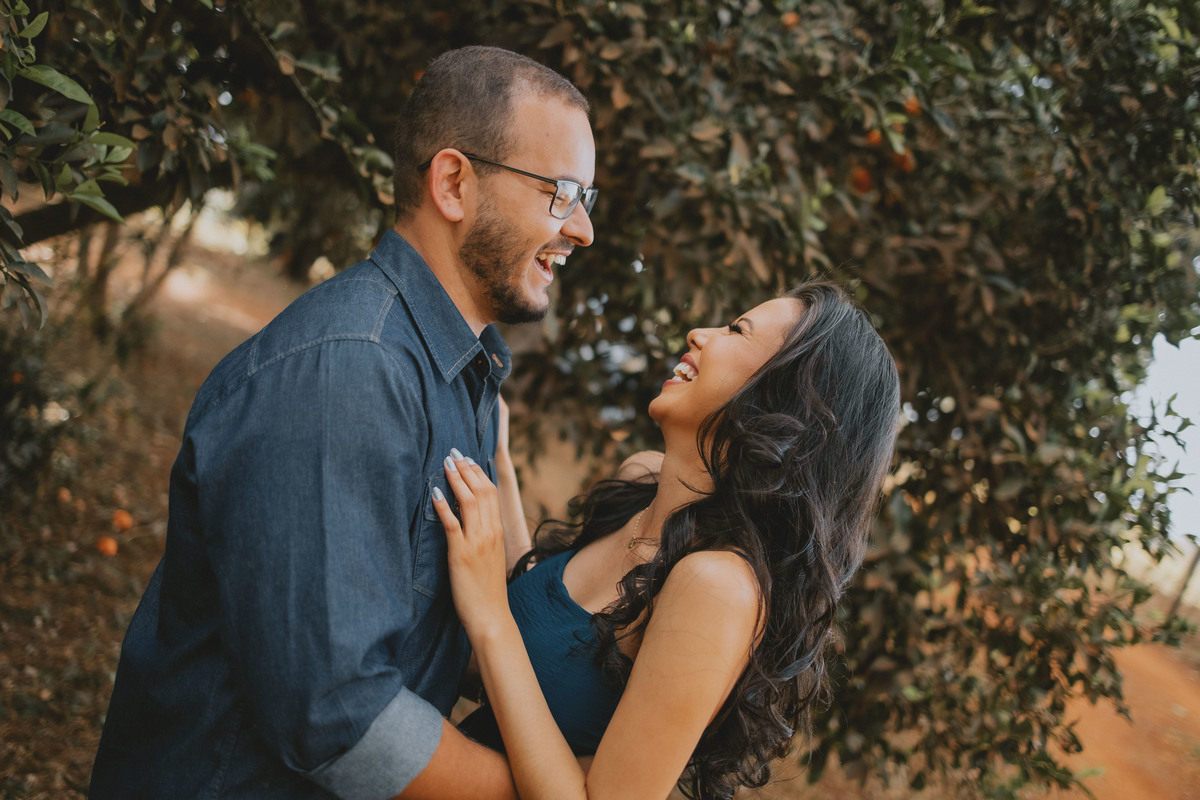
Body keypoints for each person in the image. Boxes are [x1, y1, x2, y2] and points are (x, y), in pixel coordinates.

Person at [89, 46, 595, 799]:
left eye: (587, 197)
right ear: (454, 183)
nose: (583, 229)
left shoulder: (461, 373)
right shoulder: (350, 371)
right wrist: (539, 790)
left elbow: (419, 630)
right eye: (561, 193)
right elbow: (336, 713)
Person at [433, 280, 901, 800]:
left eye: (737, 330)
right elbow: (543, 634)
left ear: (783, 400)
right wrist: (498, 458)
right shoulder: (640, 483)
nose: (699, 333)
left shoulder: (717, 585)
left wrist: (489, 618)